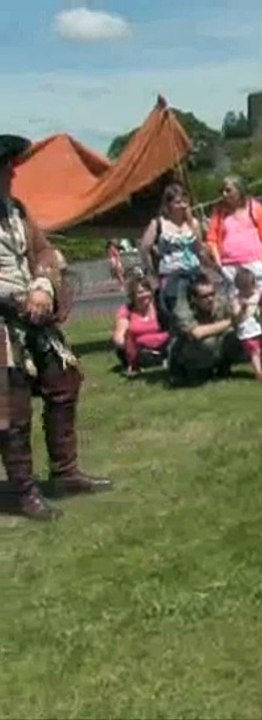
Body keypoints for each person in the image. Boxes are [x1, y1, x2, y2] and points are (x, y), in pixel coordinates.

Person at [0, 134, 112, 521]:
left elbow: (44, 252)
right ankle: (23, 492)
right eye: (4, 165)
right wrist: (14, 298)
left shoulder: (15, 210)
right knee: (10, 410)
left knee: (63, 381)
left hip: (33, 313)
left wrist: (43, 285)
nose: (12, 171)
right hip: (1, 322)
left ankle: (65, 474)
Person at [205, 175, 262, 366]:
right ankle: (253, 352)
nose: (224, 194)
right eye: (222, 190)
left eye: (228, 190)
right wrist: (218, 260)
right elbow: (212, 237)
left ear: (239, 190)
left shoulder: (254, 208)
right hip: (230, 266)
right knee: (241, 310)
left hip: (254, 263)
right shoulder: (219, 212)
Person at [138, 182, 214, 332]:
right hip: (172, 275)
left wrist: (212, 266)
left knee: (202, 311)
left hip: (194, 272)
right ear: (169, 204)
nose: (183, 205)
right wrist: (152, 272)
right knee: (179, 314)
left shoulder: (193, 224)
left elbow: (200, 251)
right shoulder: (159, 224)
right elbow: (144, 248)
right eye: (178, 202)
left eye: (185, 201)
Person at [168, 274, 240, 386]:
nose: (210, 299)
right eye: (205, 296)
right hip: (185, 353)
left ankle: (223, 369)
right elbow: (197, 333)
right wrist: (231, 322)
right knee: (208, 343)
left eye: (212, 294)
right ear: (194, 298)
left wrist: (239, 310)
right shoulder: (182, 309)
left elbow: (237, 316)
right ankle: (195, 374)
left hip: (211, 346)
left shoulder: (220, 301)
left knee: (236, 336)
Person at [112, 276, 169, 377]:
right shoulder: (127, 311)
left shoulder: (160, 307)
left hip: (162, 345)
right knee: (142, 355)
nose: (144, 295)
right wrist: (129, 347)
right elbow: (118, 338)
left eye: (147, 291)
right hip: (139, 349)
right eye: (140, 292)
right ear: (133, 295)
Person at [230, 267, 262, 382]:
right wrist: (243, 308)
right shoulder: (237, 300)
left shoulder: (256, 295)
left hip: (260, 328)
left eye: (251, 286)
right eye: (245, 288)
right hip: (247, 331)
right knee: (254, 352)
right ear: (239, 287)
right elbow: (236, 316)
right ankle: (258, 372)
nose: (249, 291)